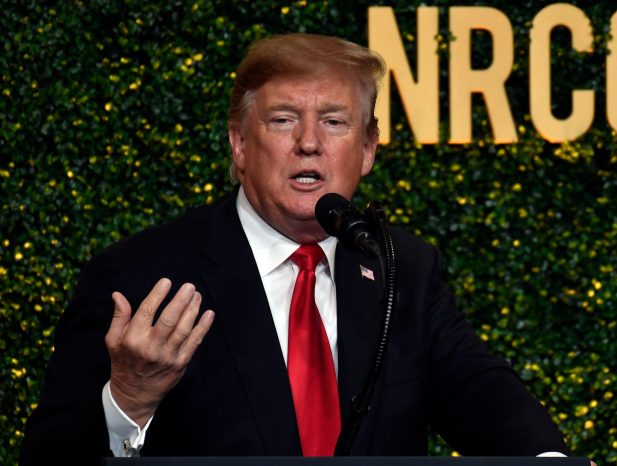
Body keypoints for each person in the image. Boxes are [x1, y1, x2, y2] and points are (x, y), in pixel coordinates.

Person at [20, 34, 571, 464]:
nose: (309, 142)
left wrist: (553, 462)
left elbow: (477, 389)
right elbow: (48, 459)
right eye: (284, 120)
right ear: (239, 142)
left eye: (334, 122)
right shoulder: (143, 276)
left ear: (369, 150)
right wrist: (129, 399)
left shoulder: (403, 266)